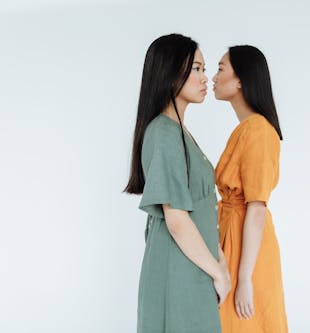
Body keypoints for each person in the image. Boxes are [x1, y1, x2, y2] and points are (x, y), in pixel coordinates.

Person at [124, 33, 231, 333]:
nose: (205, 77)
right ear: (170, 75)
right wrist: (218, 273)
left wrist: (219, 264)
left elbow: (200, 210)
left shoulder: (178, 133)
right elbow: (177, 220)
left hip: (194, 266)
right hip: (178, 270)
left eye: (204, 68)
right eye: (196, 69)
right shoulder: (163, 133)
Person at [212, 45, 288, 332]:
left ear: (241, 79)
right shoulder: (247, 129)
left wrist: (244, 278)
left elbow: (256, 207)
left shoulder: (258, 131)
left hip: (248, 249)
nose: (213, 78)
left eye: (220, 69)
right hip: (234, 238)